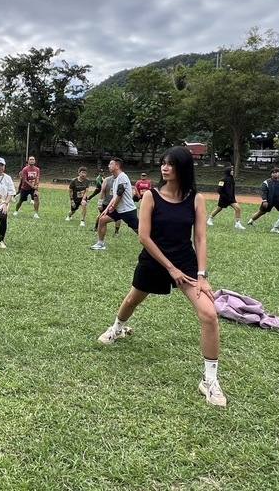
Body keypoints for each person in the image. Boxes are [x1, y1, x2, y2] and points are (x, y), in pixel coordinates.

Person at [96, 146, 226, 407]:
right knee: (133, 299)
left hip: (186, 264)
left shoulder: (196, 199)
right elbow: (144, 236)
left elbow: (200, 238)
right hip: (155, 260)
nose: (165, 168)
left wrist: (201, 275)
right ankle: (116, 328)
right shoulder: (150, 197)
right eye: (163, 163)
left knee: (209, 314)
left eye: (171, 164)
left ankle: (209, 380)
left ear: (183, 168)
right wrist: (170, 268)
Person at [91, 158, 138, 250]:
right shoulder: (116, 179)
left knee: (139, 231)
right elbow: (115, 196)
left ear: (117, 166)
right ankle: (100, 244)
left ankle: (155, 243)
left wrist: (113, 206)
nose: (108, 166)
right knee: (102, 219)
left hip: (127, 210)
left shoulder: (122, 177)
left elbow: (120, 193)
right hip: (118, 209)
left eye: (110, 164)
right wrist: (107, 209)